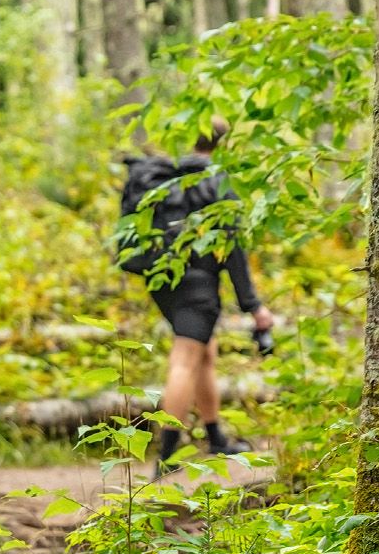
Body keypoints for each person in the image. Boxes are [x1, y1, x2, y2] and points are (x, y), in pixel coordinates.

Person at [117, 120, 275, 468]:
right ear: (225, 144)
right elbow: (233, 248)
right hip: (197, 285)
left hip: (161, 279)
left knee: (204, 353)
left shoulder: (172, 175)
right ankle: (167, 456)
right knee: (185, 360)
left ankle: (216, 437)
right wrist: (254, 306)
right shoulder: (218, 181)